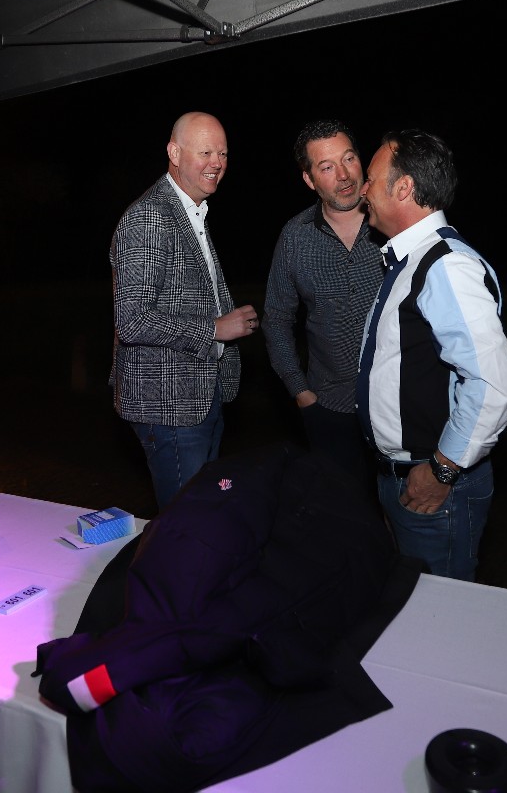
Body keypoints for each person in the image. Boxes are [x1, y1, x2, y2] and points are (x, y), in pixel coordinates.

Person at [356, 129, 507, 581]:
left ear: (404, 188)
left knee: (441, 613)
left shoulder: (446, 266)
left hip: (434, 485)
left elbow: (493, 387)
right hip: (402, 477)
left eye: (371, 179)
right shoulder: (412, 261)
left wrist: (442, 471)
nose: (363, 190)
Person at [109, 111, 258, 509]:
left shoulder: (190, 211)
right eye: (205, 152)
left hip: (200, 396)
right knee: (185, 523)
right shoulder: (150, 216)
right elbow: (132, 320)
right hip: (169, 406)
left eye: (223, 153)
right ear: (174, 153)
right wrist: (215, 329)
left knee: (204, 516)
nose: (217, 163)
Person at [264, 119, 382, 493]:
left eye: (349, 159)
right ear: (309, 179)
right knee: (342, 512)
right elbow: (276, 318)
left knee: (404, 512)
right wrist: (301, 392)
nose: (344, 175)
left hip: (399, 405)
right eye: (327, 167)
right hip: (329, 409)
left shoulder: (394, 223)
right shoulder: (295, 237)